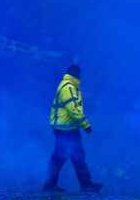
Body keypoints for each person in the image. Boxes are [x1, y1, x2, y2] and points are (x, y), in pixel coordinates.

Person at [43, 64, 103, 192]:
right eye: (80, 74)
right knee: (73, 155)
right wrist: (86, 125)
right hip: (66, 128)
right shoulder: (69, 87)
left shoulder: (70, 86)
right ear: (76, 74)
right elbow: (73, 110)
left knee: (65, 156)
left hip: (66, 127)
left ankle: (51, 184)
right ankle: (85, 185)